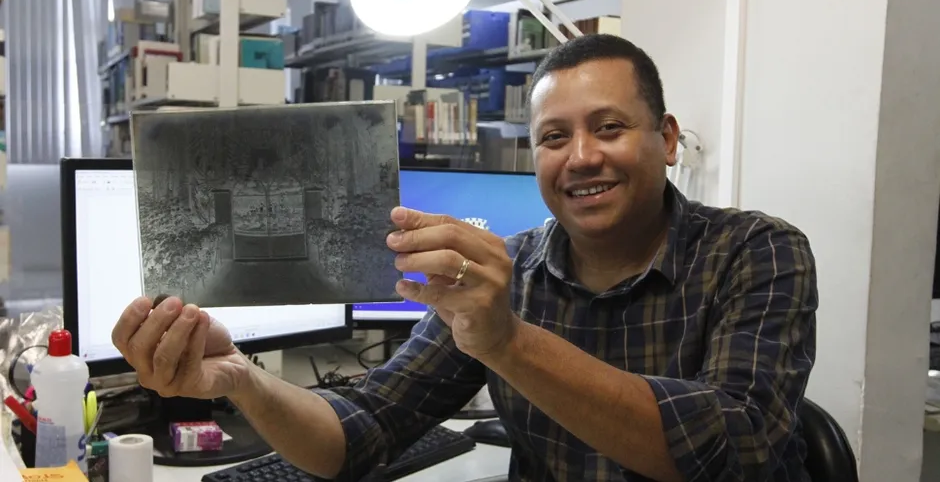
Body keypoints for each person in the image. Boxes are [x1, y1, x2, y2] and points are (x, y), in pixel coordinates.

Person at [111, 33, 818, 482]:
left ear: (665, 138)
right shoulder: (505, 273)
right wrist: (241, 379)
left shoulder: (756, 251)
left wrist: (507, 342)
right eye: (553, 138)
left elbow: (735, 449)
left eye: (609, 127)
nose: (581, 157)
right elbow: (361, 435)